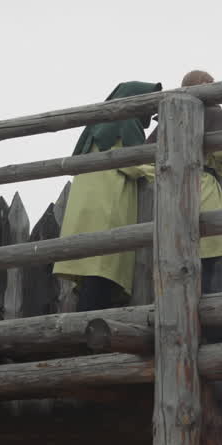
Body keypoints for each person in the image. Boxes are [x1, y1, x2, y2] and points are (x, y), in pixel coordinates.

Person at [53, 80, 162, 310]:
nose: (151, 110)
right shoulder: (125, 121)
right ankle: (87, 333)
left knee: (90, 269)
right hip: (108, 204)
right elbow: (131, 164)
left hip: (87, 206)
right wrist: (164, 169)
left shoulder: (97, 125)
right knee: (100, 269)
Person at [147, 70, 222, 293]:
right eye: (211, 83)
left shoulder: (168, 115)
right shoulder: (214, 113)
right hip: (202, 187)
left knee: (176, 260)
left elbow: (147, 158)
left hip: (170, 190)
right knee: (206, 260)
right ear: (202, 85)